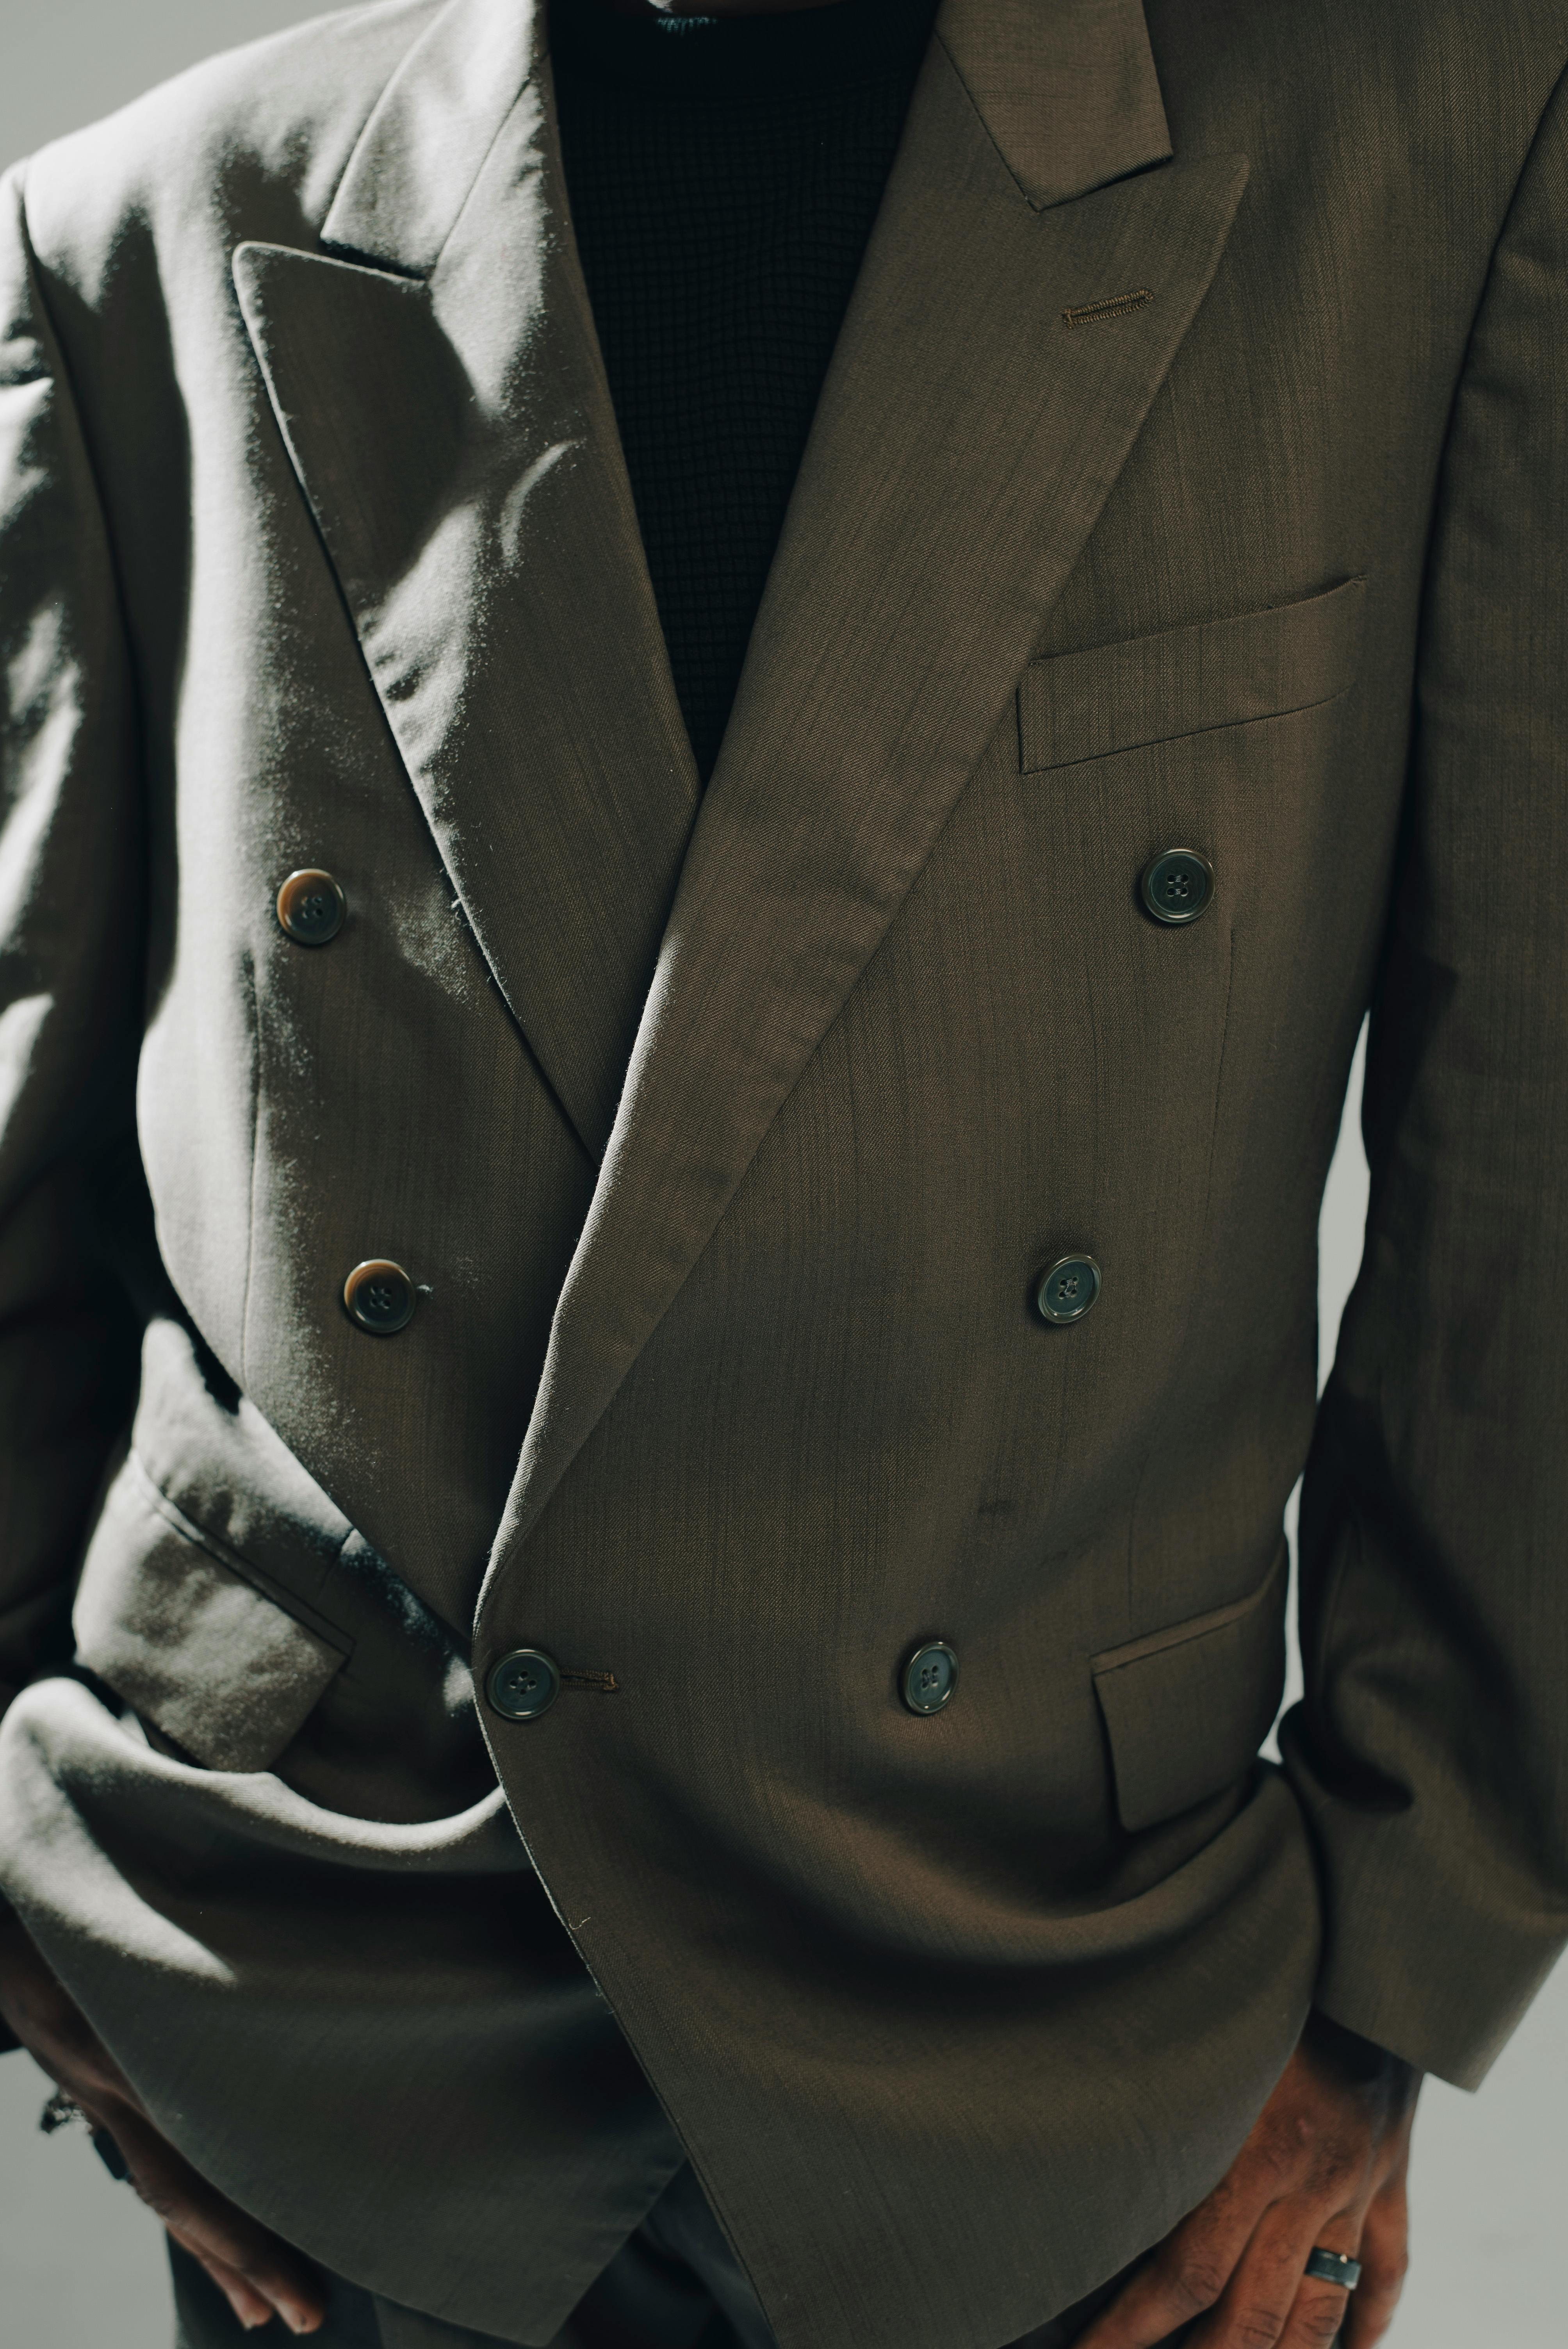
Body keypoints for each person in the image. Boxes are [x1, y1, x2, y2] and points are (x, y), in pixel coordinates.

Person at [0, 0, 1564, 2342]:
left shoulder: (1426, 132)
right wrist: (34, 1915)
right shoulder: (140, 228)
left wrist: (1390, 1979)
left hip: (1062, 2021)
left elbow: (1527, 1159)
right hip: (324, 2006)